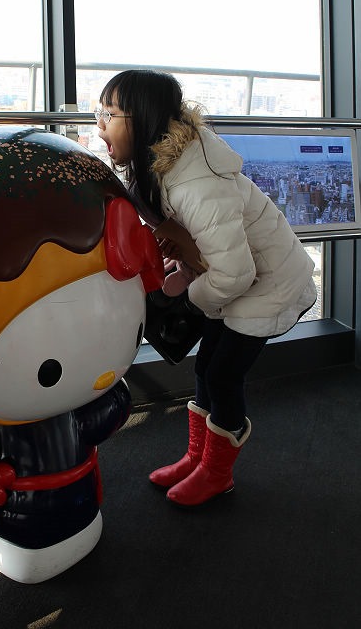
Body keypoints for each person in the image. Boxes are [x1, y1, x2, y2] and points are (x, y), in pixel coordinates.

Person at [95, 69, 317, 508]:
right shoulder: (158, 168)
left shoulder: (196, 183)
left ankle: (217, 473)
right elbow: (200, 245)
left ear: (143, 120)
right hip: (235, 278)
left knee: (222, 374)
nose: (99, 124)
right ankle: (197, 458)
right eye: (97, 112)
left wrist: (188, 297)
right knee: (205, 370)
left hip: (268, 284)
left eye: (109, 114)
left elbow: (234, 274)